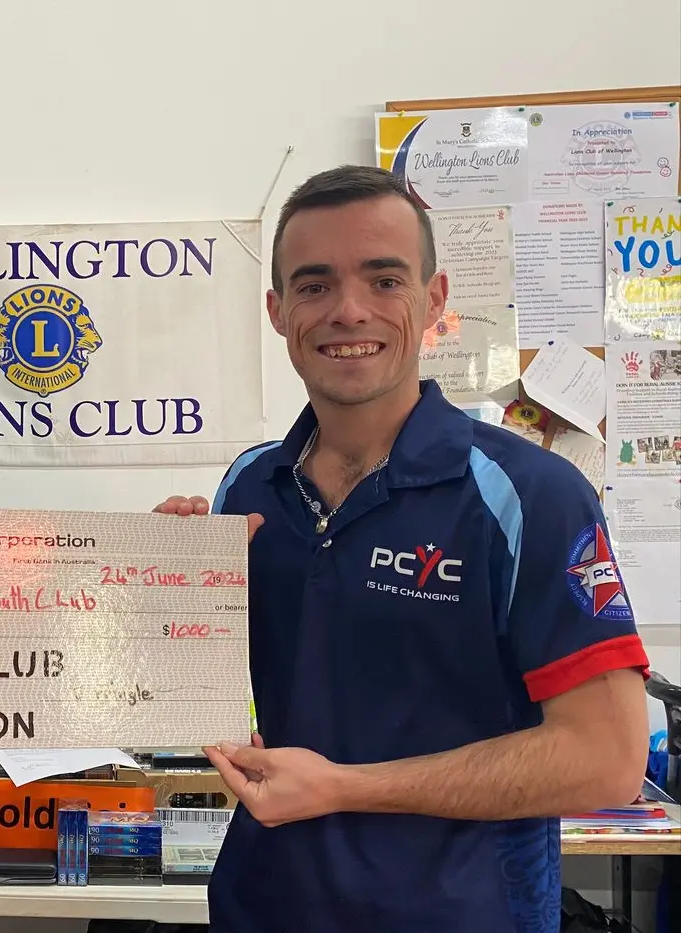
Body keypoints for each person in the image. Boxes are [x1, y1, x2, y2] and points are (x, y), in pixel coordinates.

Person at [155, 164, 651, 933]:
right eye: (315, 286)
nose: (349, 311)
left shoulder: (530, 493)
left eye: (384, 280)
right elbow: (208, 706)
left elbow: (608, 757)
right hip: (262, 907)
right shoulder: (247, 488)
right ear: (278, 310)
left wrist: (343, 786)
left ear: (435, 299)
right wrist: (157, 599)